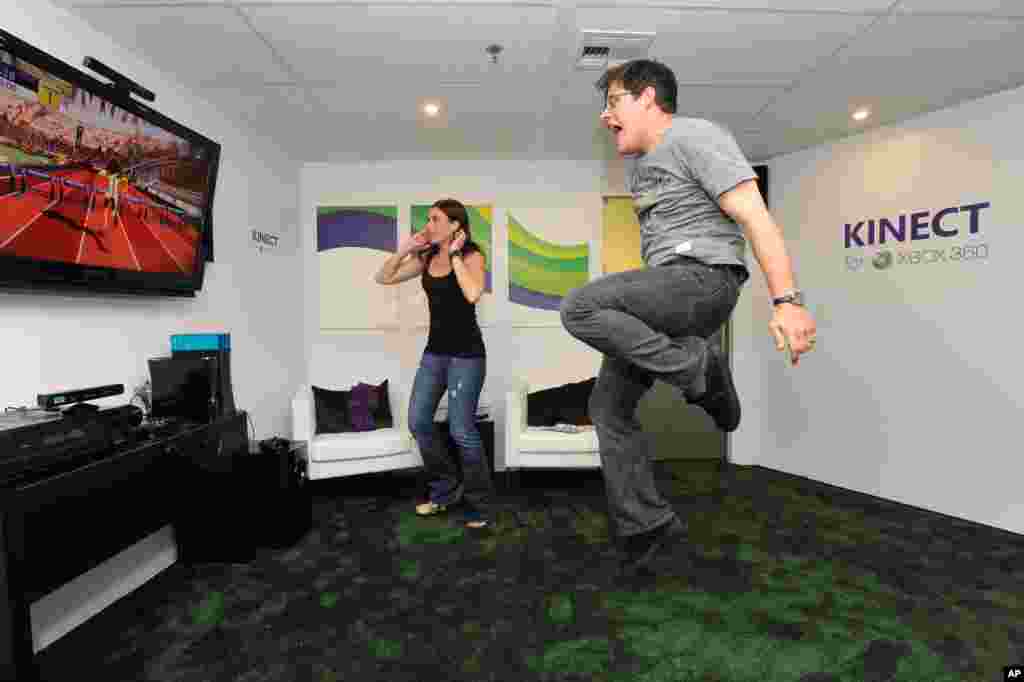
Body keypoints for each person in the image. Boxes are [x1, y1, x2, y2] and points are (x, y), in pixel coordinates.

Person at [559, 59, 817, 575]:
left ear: (647, 97)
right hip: (672, 291)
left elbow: (756, 218)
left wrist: (787, 300)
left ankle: (696, 369)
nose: (605, 116)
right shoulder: (642, 164)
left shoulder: (696, 136)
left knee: (580, 307)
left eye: (613, 102)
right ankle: (646, 524)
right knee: (608, 408)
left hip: (703, 281)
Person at [374, 199, 494, 529]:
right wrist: (404, 249)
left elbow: (472, 294)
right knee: (418, 421)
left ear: (456, 225)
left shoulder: (472, 255)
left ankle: (479, 504)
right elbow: (383, 278)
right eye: (428, 219)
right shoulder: (425, 257)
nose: (428, 225)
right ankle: (444, 490)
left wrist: (455, 254)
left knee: (461, 430)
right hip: (435, 354)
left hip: (467, 357)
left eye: (436, 219)